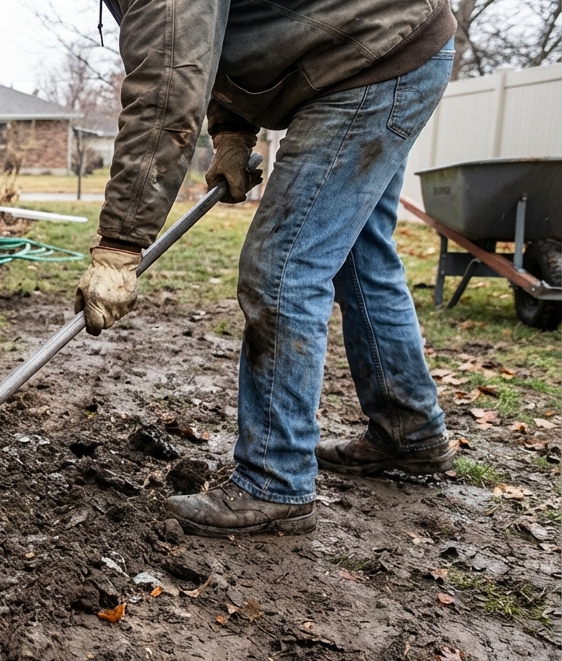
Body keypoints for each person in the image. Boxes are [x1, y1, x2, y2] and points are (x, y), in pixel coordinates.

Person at [74, 0, 459, 537]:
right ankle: (409, 430)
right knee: (358, 255)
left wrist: (120, 244)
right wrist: (231, 132)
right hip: (391, 48)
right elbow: (216, 41)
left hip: (365, 60)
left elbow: (168, 90)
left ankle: (274, 480)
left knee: (281, 266)